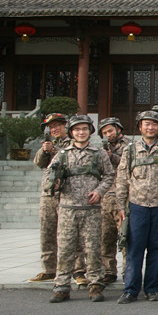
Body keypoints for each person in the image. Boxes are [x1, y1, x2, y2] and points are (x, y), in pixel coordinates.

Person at [46, 115, 115, 303]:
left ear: (90, 131)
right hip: (68, 209)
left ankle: (95, 284)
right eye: (77, 129)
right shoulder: (62, 154)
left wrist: (99, 191)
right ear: (71, 132)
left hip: (91, 209)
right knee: (65, 249)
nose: (81, 132)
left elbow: (109, 175)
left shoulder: (98, 153)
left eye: (84, 129)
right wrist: (54, 184)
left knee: (93, 249)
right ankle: (62, 286)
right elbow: (48, 178)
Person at [116, 110, 158, 304]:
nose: (150, 127)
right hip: (137, 206)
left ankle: (152, 288)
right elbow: (122, 179)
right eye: (147, 124)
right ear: (140, 127)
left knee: (157, 248)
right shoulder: (130, 150)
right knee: (134, 249)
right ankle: (130, 290)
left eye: (154, 124)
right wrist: (121, 205)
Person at [29, 113, 85, 284]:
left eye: (57, 125)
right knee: (47, 232)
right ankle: (49, 269)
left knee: (72, 234)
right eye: (51, 127)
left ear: (65, 126)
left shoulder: (73, 144)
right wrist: (45, 150)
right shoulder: (49, 145)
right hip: (49, 194)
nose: (54, 129)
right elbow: (39, 163)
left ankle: (78, 270)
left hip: (68, 194)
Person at [97, 117, 131, 285]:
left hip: (124, 196)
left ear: (119, 129)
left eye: (110, 130)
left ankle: (127, 271)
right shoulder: (100, 149)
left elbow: (129, 164)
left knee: (125, 237)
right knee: (106, 237)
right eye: (104, 132)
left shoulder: (130, 145)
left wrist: (112, 157)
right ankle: (108, 271)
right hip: (105, 197)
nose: (108, 134)